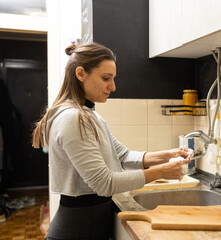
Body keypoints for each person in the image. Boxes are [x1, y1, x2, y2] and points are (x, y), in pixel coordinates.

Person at [32, 42, 192, 240]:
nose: (113, 86)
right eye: (106, 78)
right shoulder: (73, 118)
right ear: (81, 74)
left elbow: (124, 156)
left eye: (113, 78)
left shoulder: (90, 115)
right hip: (76, 231)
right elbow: (103, 183)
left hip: (90, 226)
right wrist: (161, 172)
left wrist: (170, 154)